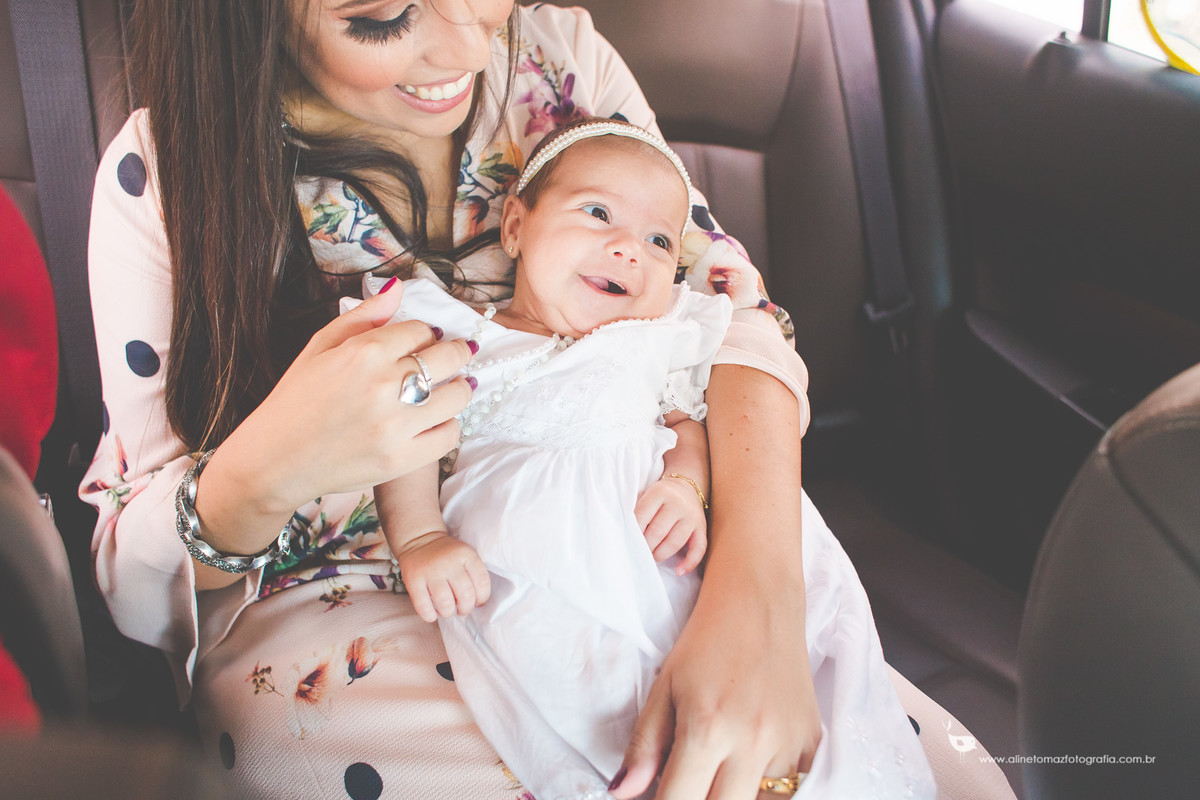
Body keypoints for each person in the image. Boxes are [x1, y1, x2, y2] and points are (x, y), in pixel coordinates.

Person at [82, 2, 935, 798]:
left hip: (642, 539)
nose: (465, 49)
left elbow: (727, 321)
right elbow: (138, 583)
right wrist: (270, 466)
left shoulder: (562, 64)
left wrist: (760, 601)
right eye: (383, 19)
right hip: (351, 600)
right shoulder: (166, 176)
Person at [368, 119, 730, 799]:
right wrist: (420, 538)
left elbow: (686, 425)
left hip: (654, 573)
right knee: (586, 721)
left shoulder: (654, 341)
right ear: (515, 228)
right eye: (598, 214)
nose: (629, 250)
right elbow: (408, 437)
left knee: (702, 714)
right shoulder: (465, 338)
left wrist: (684, 485)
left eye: (659, 242)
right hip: (525, 579)